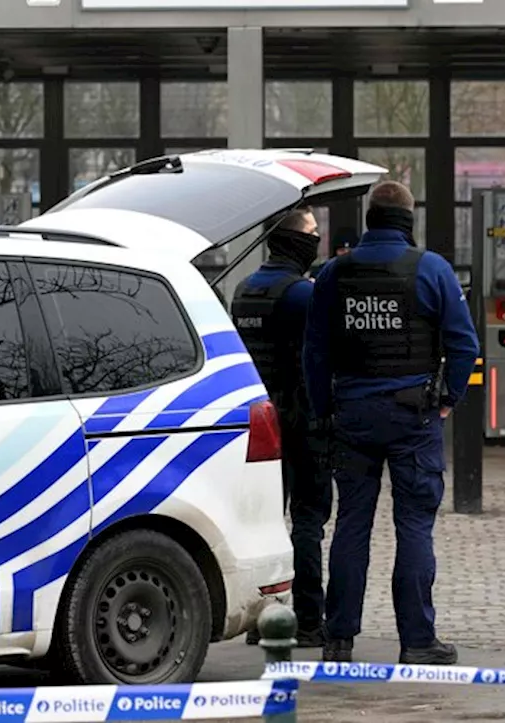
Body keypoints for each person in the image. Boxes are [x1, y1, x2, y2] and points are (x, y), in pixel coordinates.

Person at [303, 180, 479, 665]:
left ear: (369, 219)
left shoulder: (335, 272)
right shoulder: (432, 269)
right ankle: (418, 641)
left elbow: (314, 352)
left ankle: (338, 640)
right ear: (408, 219)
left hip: (353, 416)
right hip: (413, 416)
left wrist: (324, 411)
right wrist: (449, 397)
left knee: (351, 526)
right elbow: (465, 344)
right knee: (414, 527)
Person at [231, 206, 331, 649]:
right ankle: (309, 620)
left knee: (262, 522)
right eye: (312, 233)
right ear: (294, 241)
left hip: (258, 420)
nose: (317, 240)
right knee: (308, 520)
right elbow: (320, 355)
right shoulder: (301, 294)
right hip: (299, 418)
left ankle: (262, 620)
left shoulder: (244, 289)